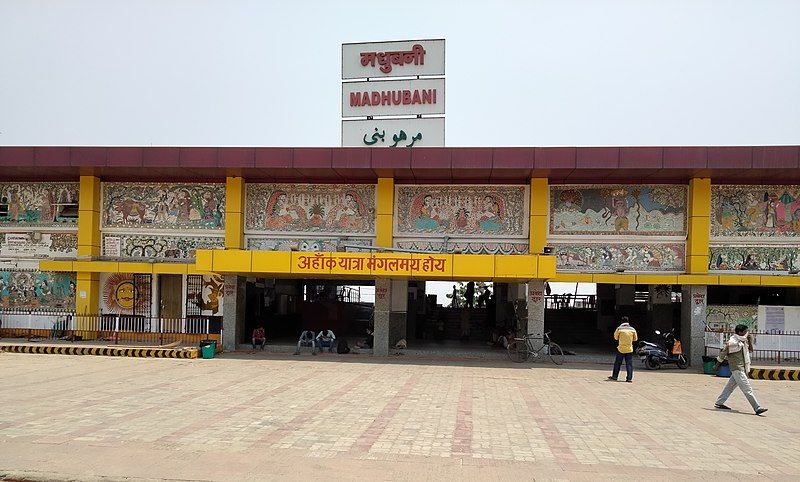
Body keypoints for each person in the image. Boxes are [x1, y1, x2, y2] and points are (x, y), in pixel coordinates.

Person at [714, 324, 768, 415]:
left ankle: (719, 403)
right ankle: (757, 408)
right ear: (740, 332)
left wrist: (750, 341)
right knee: (747, 389)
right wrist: (716, 366)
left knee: (729, 387)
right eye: (745, 331)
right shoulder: (732, 342)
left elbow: (751, 350)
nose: (747, 333)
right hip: (737, 369)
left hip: (741, 368)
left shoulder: (743, 342)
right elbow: (723, 353)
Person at [608, 316, 637, 382]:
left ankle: (615, 376)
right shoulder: (632, 329)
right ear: (628, 321)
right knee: (629, 364)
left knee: (617, 363)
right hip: (629, 349)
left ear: (621, 321)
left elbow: (615, 337)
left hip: (621, 349)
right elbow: (635, 339)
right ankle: (629, 378)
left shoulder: (619, 329)